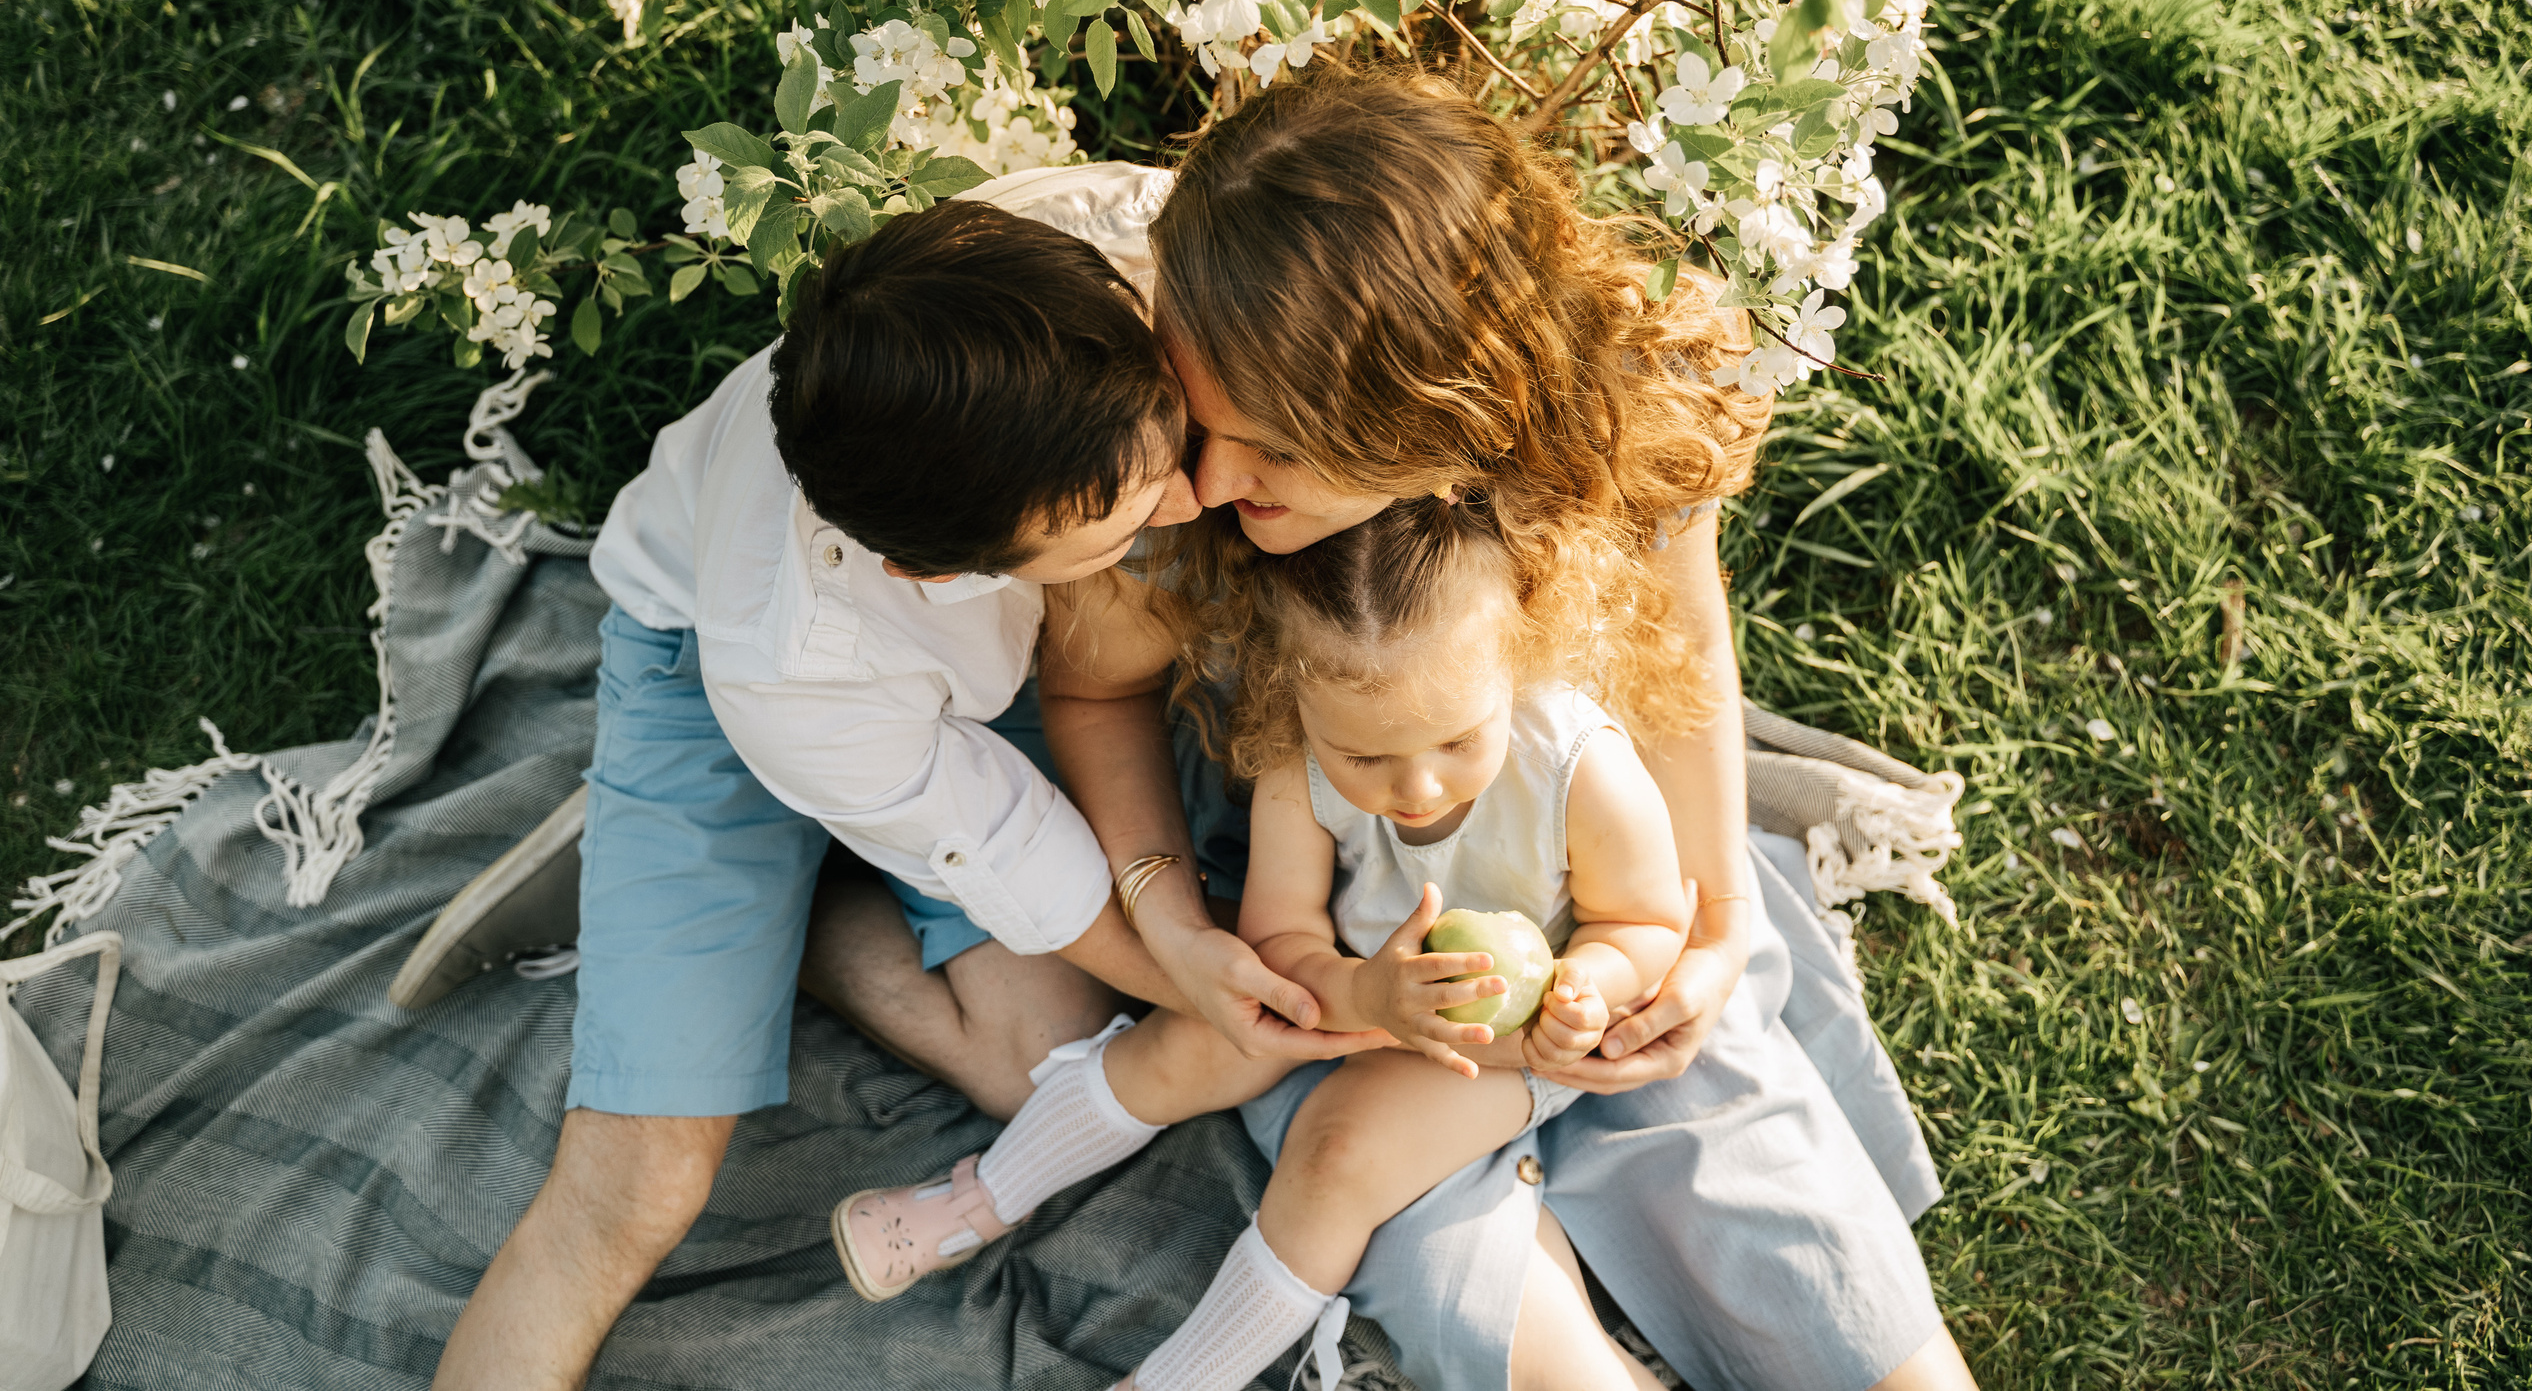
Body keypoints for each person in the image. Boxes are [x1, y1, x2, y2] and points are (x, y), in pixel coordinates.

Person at [1011, 70, 1977, 1391]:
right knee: (1455, 1259)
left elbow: (1684, 652)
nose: (1211, 479)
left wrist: (1712, 924)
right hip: (1352, 928)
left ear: (1437, 421)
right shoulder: (1181, 470)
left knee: (1777, 1201)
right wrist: (1165, 914)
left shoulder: (1613, 412)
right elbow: (1098, 687)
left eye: (1269, 450)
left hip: (1582, 874)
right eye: (1210, 429)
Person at [429, 187, 1373, 1391]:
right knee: (638, 1187)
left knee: (1046, 1052)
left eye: (1168, 446)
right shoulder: (805, 680)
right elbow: (1027, 857)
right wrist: (1203, 980)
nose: (1189, 499)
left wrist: (1182, 958)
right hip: (714, 681)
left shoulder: (1083, 257)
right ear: (945, 568)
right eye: (1121, 517)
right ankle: (672, 856)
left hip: (960, 695)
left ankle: (776, 913)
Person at [832, 497, 1692, 1391]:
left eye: (1457, 739)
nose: (1420, 785)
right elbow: (1281, 937)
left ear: (1514, 656)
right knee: (1188, 1040)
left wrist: (1584, 988)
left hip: (1501, 1045)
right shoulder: (1301, 760)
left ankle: (1177, 1382)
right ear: (1293, 697)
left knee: (1340, 1153)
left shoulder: (1576, 767)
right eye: (1365, 758)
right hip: (1351, 984)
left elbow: (1646, 920)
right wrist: (1367, 998)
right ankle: (979, 1197)